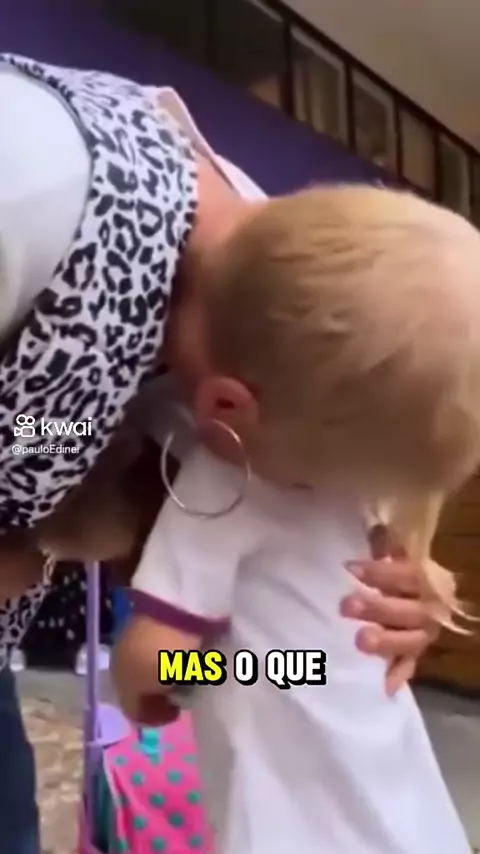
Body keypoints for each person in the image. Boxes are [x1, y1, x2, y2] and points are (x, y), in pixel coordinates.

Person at [0, 56, 440, 853]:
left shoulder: (296, 328)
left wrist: (408, 584)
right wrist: (287, 669)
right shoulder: (28, 185)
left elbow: (156, 662)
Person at [111, 185, 480, 853]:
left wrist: (237, 672)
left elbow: (153, 661)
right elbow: (41, 438)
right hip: (407, 815)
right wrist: (290, 668)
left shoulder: (240, 467)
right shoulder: (271, 457)